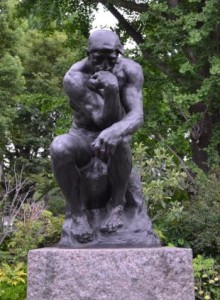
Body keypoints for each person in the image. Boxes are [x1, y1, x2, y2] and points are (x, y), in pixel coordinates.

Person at [50, 30, 144, 243]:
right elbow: (102, 119)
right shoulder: (74, 77)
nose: (104, 65)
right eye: (97, 59)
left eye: (110, 59)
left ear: (119, 54)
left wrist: (116, 131)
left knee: (120, 140)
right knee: (59, 146)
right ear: (88, 54)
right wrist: (111, 90)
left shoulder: (131, 70)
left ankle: (118, 206)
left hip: (114, 136)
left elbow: (137, 115)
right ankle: (78, 214)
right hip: (83, 138)